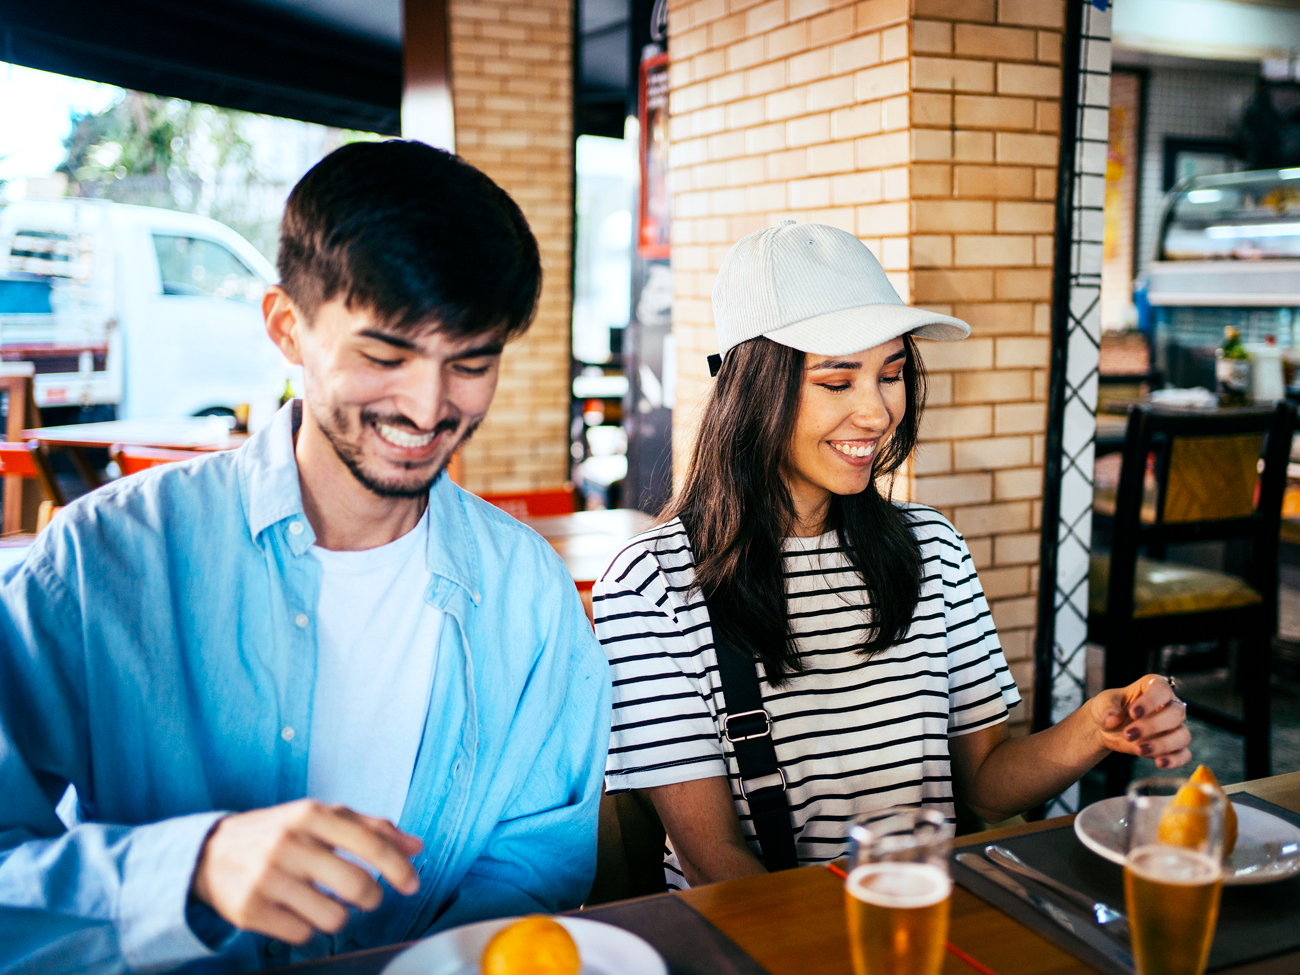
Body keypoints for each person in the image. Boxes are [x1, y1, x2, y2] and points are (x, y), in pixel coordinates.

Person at [0, 141, 610, 971]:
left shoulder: (528, 592)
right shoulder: (99, 563)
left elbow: (534, 868)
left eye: (470, 362)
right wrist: (194, 871)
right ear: (287, 326)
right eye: (384, 356)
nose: (428, 406)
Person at [594, 222, 1190, 889]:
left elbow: (987, 790)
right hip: (764, 945)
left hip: (925, 922)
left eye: (892, 374)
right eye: (838, 381)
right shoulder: (655, 584)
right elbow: (715, 863)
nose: (878, 413)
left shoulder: (932, 548)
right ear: (753, 390)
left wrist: (1097, 725)